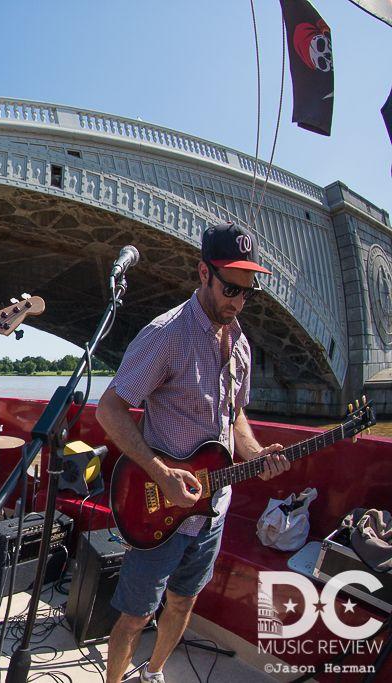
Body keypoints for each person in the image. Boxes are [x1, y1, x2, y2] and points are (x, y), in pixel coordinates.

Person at [95, 222, 292, 683]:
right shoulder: (167, 335)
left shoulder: (240, 344)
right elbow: (110, 409)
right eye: (230, 288)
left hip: (212, 509)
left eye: (248, 292)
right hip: (159, 507)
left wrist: (258, 455)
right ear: (203, 273)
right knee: (134, 616)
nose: (238, 301)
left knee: (185, 600)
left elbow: (235, 418)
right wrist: (160, 472)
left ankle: (154, 672)